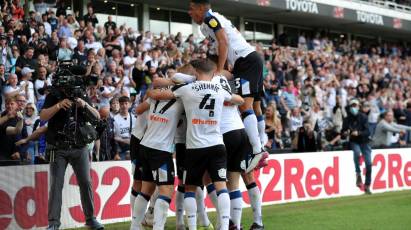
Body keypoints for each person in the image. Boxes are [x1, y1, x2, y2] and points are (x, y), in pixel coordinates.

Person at [147, 59, 244, 230]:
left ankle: (190, 226)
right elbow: (240, 100)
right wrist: (228, 100)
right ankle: (224, 226)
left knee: (189, 188)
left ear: (195, 72)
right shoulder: (220, 89)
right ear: (213, 73)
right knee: (221, 186)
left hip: (194, 147)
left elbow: (158, 94)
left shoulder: (187, 88)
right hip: (217, 144)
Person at [189, 0, 267, 172]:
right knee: (255, 105)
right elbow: (219, 46)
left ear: (202, 8)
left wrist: (219, 70)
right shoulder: (207, 25)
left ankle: (257, 150)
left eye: (192, 8)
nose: (190, 12)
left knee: (245, 106)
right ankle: (261, 143)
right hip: (248, 60)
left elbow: (223, 42)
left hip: (246, 60)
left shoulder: (210, 18)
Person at [39, 78, 103, 229]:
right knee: (56, 185)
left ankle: (90, 219)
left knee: (86, 182)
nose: (70, 90)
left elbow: (97, 116)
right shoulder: (53, 96)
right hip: (57, 147)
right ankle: (53, 223)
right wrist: (59, 105)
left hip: (79, 146)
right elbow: (42, 117)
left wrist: (84, 104)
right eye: (67, 87)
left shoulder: (80, 94)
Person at [130, 79, 183, 229]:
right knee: (166, 190)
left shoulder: (154, 97)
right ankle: (158, 227)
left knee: (146, 189)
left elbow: (138, 110)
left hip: (144, 145)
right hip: (160, 150)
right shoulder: (181, 102)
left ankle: (134, 227)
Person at [341, 99, 372, 195]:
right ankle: (358, 174)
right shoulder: (346, 119)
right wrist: (345, 133)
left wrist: (358, 133)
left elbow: (368, 132)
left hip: (365, 142)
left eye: (356, 105)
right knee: (356, 153)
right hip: (354, 141)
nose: (354, 107)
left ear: (359, 107)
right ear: (350, 107)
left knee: (369, 164)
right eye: (352, 106)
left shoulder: (364, 117)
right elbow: (342, 133)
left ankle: (367, 185)